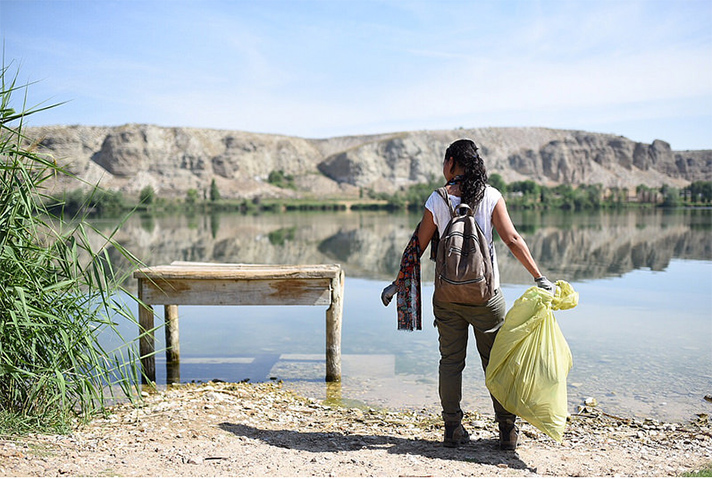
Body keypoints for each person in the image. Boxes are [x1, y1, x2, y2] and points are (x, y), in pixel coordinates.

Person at [382, 138, 554, 451]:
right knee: (497, 363)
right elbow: (513, 239)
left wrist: (398, 283)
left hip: (447, 297)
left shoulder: (438, 199)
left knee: (450, 363)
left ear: (451, 163)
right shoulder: (491, 196)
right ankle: (507, 431)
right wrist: (538, 277)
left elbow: (416, 247)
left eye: (444, 162)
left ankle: (452, 429)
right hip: (486, 297)